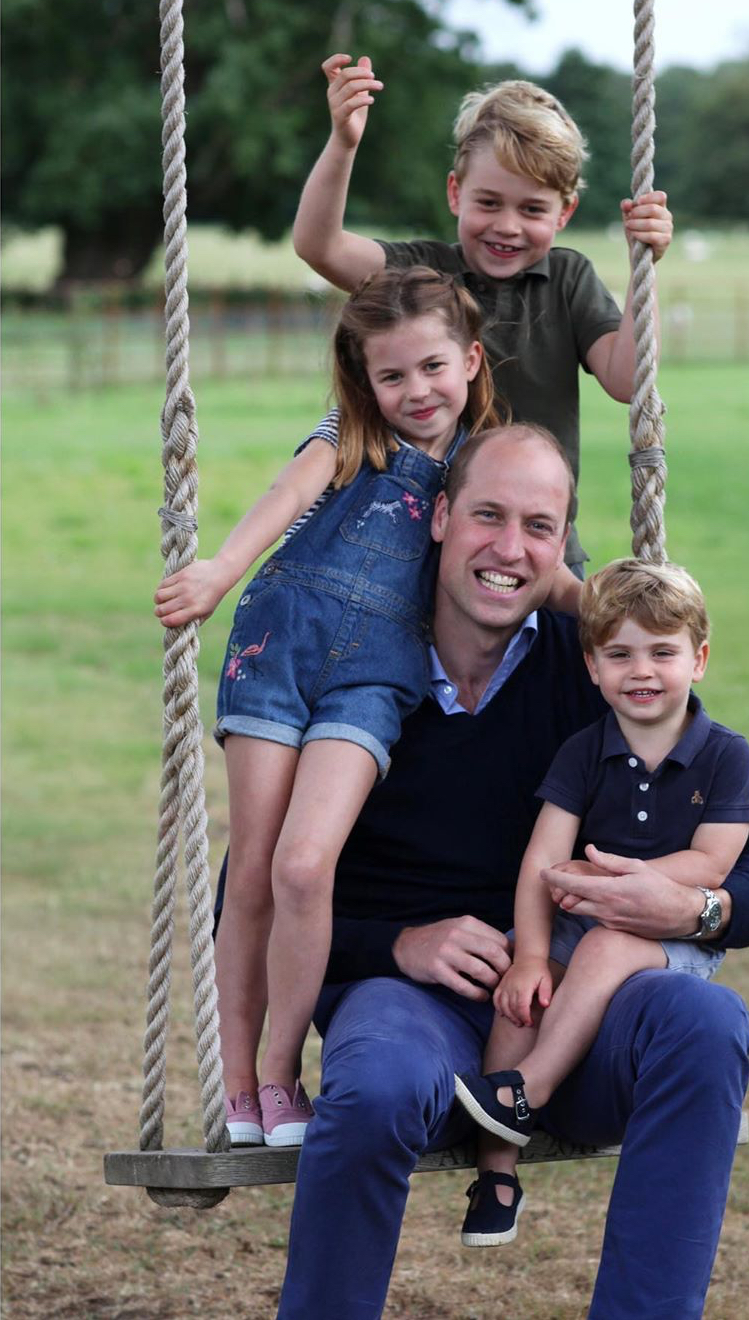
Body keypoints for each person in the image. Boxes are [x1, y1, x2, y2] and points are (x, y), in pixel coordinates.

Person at [270, 426, 749, 1320]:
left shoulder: (593, 672)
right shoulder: (356, 669)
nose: (509, 549)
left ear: (562, 547)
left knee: (704, 1019)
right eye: (487, 515)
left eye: (539, 525)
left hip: (578, 1011)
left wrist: (692, 905)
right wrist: (399, 943)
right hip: (416, 1003)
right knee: (374, 1087)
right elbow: (250, 898)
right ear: (439, 517)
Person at [154, 266, 516, 1149]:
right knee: (251, 870)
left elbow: (522, 553)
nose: (415, 391)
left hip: (376, 673)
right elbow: (284, 498)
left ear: (469, 359)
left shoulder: (481, 459)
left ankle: (283, 1071)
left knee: (305, 866)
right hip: (279, 644)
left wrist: (610, 608)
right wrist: (217, 570)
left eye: (432, 367)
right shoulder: (350, 431)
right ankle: (239, 1084)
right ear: (366, 381)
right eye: (392, 376)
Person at [453, 558, 749, 1247]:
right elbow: (541, 860)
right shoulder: (584, 752)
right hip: (581, 912)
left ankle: (529, 1085)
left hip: (672, 931)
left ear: (699, 658)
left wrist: (629, 885)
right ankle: (497, 1170)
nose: (642, 670)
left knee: (605, 943)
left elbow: (714, 861)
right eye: (620, 654)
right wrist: (531, 956)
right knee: (519, 995)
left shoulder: (724, 756)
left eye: (663, 651)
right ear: (592, 666)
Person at [292, 57, 674, 572]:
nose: (508, 226)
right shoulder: (422, 274)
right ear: (456, 193)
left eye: (533, 210)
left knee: (559, 650)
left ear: (565, 213)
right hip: (425, 550)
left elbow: (627, 379)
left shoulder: (568, 279)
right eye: (489, 203)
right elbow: (321, 246)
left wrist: (641, 269)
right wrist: (343, 142)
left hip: (540, 549)